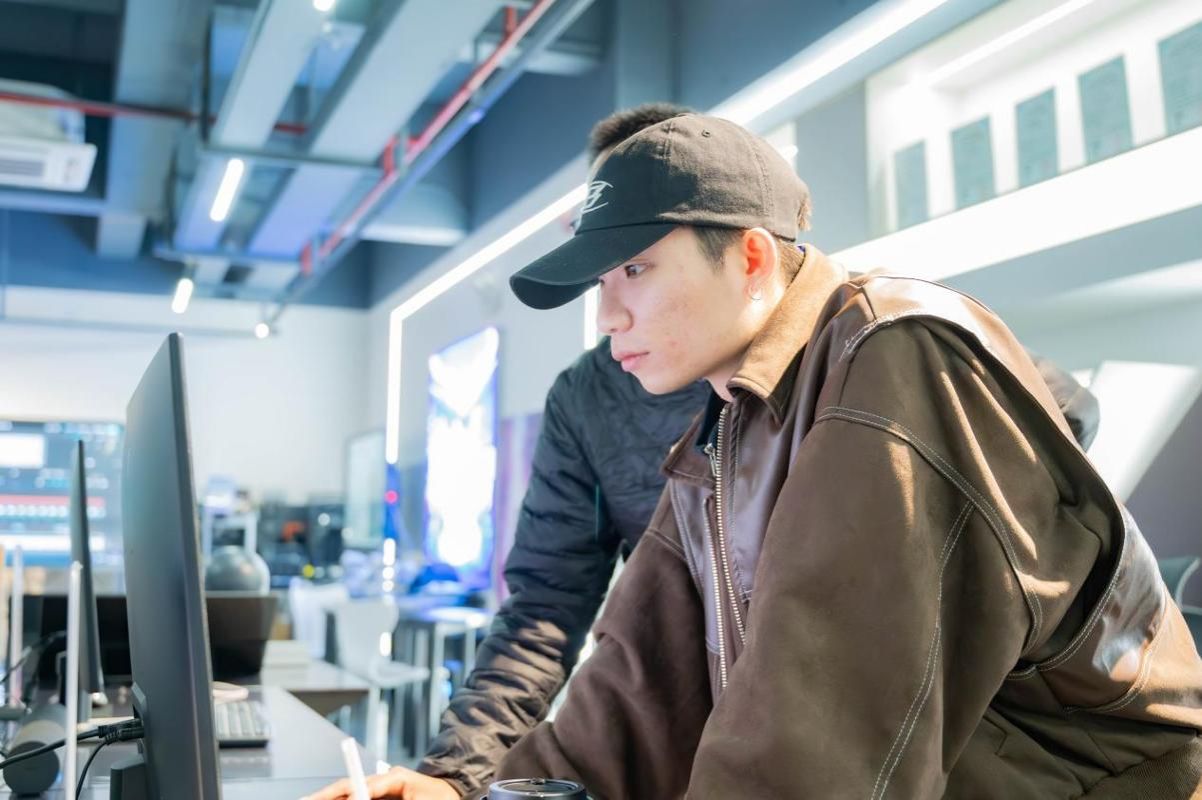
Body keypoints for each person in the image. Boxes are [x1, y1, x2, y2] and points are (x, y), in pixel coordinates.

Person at [306, 109, 1113, 800]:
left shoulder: (889, 354)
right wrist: (465, 784)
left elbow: (821, 736)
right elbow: (633, 674)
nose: (608, 316)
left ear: (749, 256)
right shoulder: (716, 430)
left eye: (636, 267)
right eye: (604, 274)